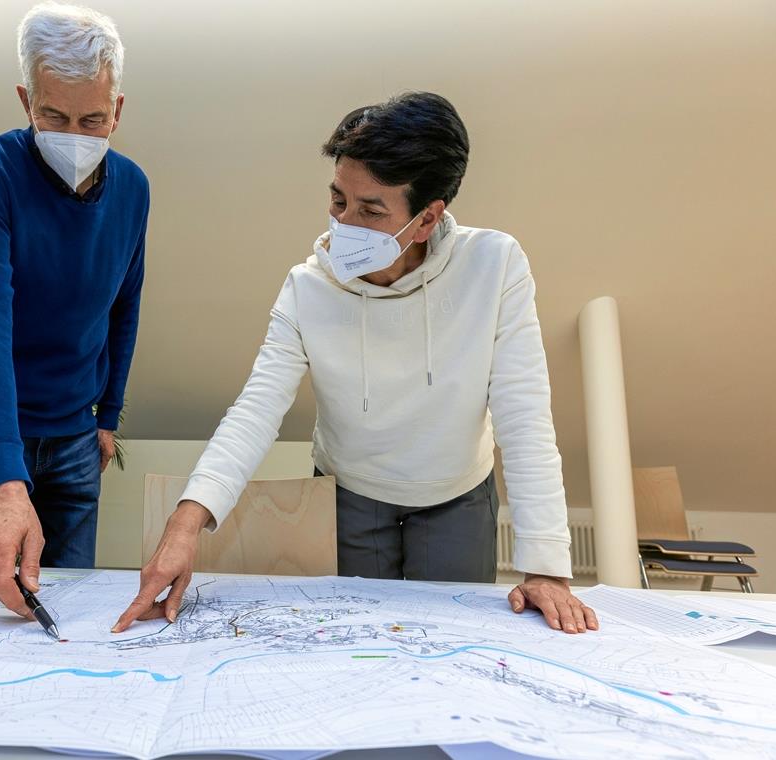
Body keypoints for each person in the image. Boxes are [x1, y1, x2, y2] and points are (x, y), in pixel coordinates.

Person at [115, 92, 597, 635]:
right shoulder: (307, 288)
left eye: (371, 211)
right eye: (338, 200)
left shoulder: (495, 265)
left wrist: (547, 570)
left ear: (426, 218)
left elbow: (524, 413)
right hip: (350, 495)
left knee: (450, 641)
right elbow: (255, 409)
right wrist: (186, 523)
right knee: (354, 643)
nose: (345, 223)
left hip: (456, 497)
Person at [0, 2, 149, 617]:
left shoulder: (132, 187)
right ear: (26, 100)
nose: (75, 136)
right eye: (54, 115)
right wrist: (1, 481)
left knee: (64, 616)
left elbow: (122, 304)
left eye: (93, 119)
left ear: (117, 111)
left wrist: (110, 413)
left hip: (76, 435)